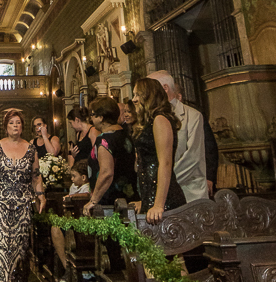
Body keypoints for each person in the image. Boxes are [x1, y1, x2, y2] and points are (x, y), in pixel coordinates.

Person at [0, 108, 45, 282]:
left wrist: (41, 195)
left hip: (23, 203)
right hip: (0, 202)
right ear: (6, 126)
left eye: (18, 123)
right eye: (11, 123)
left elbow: (36, 176)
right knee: (1, 246)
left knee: (21, 247)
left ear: (22, 126)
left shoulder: (31, 149)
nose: (15, 126)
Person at [147, 71, 209, 203]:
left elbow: (192, 157)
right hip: (159, 192)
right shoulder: (149, 119)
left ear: (164, 88)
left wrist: (164, 182)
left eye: (150, 88)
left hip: (189, 191)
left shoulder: (192, 116)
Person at [132, 78, 186, 223]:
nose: (133, 99)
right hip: (151, 197)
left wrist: (158, 204)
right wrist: (144, 200)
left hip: (164, 201)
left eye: (138, 95)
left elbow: (165, 163)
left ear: (149, 95)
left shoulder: (160, 120)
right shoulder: (150, 121)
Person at [83, 95, 137, 210]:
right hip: (127, 197)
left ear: (101, 117)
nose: (91, 119)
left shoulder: (105, 140)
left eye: (92, 115)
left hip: (109, 202)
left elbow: (106, 173)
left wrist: (93, 201)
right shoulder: (125, 135)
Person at [51, 160, 90, 271]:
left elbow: (87, 195)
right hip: (72, 219)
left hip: (81, 222)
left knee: (56, 229)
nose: (72, 179)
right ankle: (66, 266)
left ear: (83, 177)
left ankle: (68, 267)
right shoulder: (74, 186)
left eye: (74, 176)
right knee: (56, 227)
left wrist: (71, 197)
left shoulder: (87, 187)